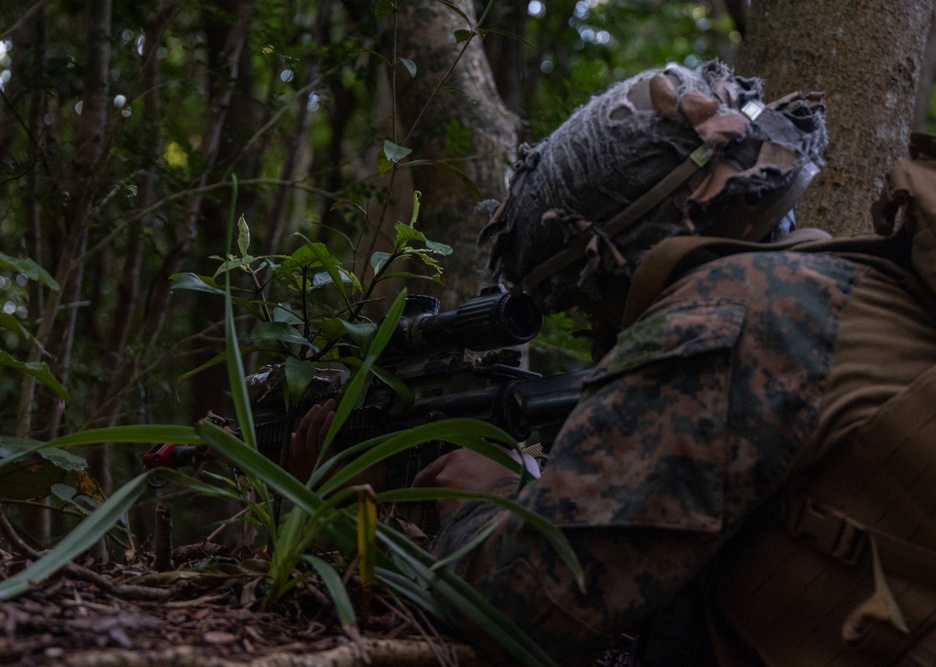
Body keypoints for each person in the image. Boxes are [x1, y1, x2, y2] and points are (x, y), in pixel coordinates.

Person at [296, 61, 936, 665]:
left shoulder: (731, 314)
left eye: (583, 300)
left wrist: (484, 495)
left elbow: (524, 601)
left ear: (632, 252)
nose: (593, 332)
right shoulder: (840, 295)